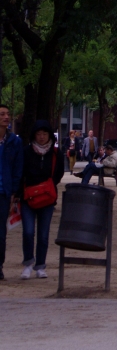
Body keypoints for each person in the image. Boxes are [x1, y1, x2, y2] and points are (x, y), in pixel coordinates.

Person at [19, 121, 63, 279]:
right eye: (39, 134)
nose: (42, 137)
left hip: (47, 199)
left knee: (43, 235)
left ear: (50, 135)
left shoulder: (56, 153)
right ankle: (28, 263)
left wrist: (48, 186)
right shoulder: (26, 152)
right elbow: (20, 172)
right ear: (34, 135)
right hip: (28, 198)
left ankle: (40, 266)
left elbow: (58, 173)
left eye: (45, 134)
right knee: (28, 232)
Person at [0, 104, 23, 280]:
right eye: (2, 114)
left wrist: (14, 192)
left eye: (7, 114)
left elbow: (17, 168)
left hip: (4, 192)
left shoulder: (14, 141)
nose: (6, 117)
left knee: (1, 232)